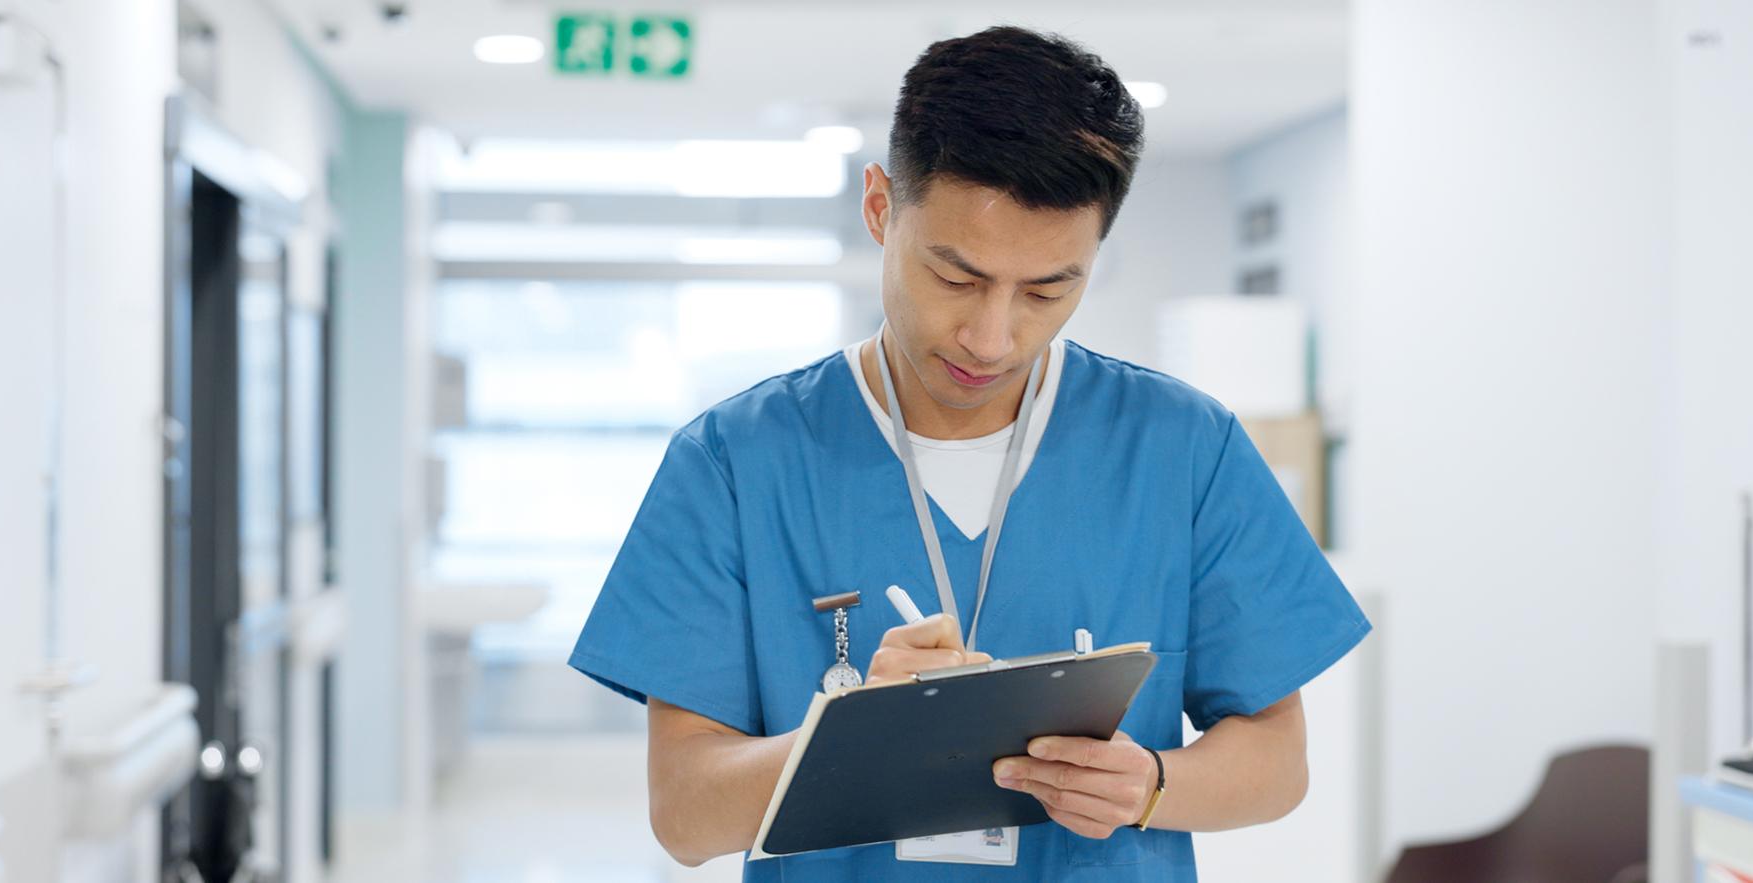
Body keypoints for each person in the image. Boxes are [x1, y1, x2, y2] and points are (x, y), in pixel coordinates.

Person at [570, 25, 1371, 881]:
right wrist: (853, 737)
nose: (991, 337)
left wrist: (1154, 783)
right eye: (956, 277)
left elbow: (1279, 763)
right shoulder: (735, 461)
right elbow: (684, 816)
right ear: (880, 208)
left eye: (1047, 289)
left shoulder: (1181, 448)